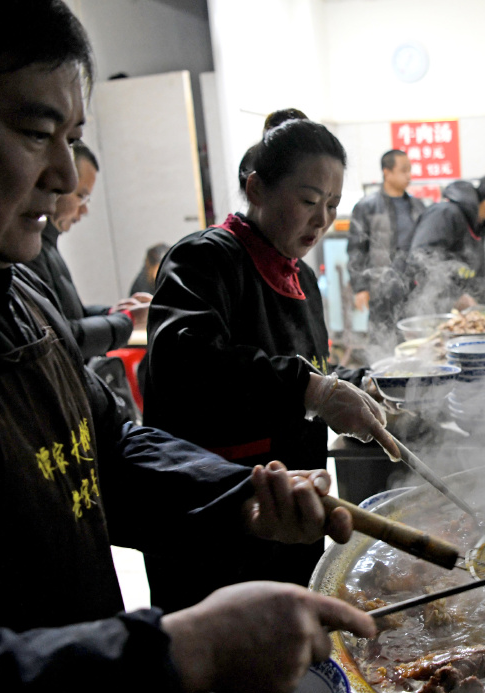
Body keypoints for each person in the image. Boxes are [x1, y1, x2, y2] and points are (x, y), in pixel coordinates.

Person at [0, 3, 379, 693]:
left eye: (73, 137)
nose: (64, 173)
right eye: (33, 131)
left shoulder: (16, 292)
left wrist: (242, 498)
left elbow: (111, 444)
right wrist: (181, 649)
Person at [142, 112, 401, 613]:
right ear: (256, 188)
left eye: (331, 204)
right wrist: (313, 389)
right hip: (220, 515)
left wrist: (350, 383)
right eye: (308, 201)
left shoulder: (300, 276)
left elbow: (304, 365)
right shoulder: (205, 259)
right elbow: (183, 357)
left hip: (294, 509)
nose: (322, 220)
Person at [25, 140, 152, 358]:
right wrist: (128, 321)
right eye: (81, 196)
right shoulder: (31, 252)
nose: (84, 210)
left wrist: (115, 313)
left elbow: (74, 314)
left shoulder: (47, 245)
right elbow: (62, 337)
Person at [403, 174, 485, 312]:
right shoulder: (445, 214)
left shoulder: (478, 227)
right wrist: (455, 297)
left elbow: (477, 279)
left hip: (450, 311)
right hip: (422, 307)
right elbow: (421, 260)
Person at [346, 149, 425, 351]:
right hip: (380, 288)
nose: (409, 176)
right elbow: (356, 248)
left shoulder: (417, 206)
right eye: (403, 170)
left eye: (410, 170)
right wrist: (360, 287)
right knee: (381, 343)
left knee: (414, 342)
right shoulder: (367, 206)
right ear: (386, 172)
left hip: (412, 288)